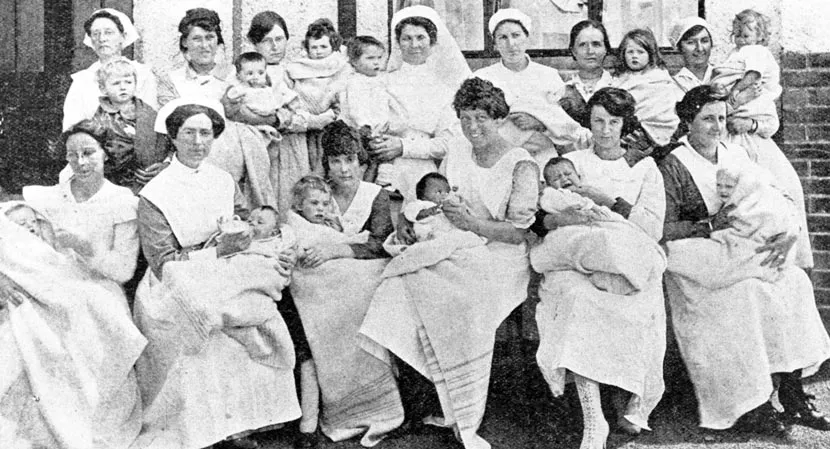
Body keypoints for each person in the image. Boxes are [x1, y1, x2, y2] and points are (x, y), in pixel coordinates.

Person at [361, 78, 539, 449]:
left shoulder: (521, 164)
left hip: (499, 256)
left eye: (481, 118)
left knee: (459, 300)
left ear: (499, 117)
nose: (472, 127)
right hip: (453, 245)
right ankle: (416, 400)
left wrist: (470, 224)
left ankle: (460, 403)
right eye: (465, 118)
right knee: (399, 287)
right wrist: (411, 221)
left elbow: (520, 234)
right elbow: (431, 196)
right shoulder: (456, 150)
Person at [660, 85, 830, 437]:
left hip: (742, 249)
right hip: (698, 260)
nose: (716, 126)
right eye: (707, 118)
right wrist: (708, 225)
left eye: (721, 118)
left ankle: (792, 391)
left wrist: (786, 233)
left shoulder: (735, 154)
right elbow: (662, 227)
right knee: (747, 294)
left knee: (794, 282)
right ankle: (751, 404)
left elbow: (775, 195)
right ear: (687, 119)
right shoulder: (673, 164)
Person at [132, 102, 300, 449]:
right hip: (175, 282)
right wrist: (217, 250)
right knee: (206, 325)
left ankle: (237, 428)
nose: (198, 142)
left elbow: (245, 226)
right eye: (188, 133)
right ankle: (202, 433)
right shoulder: (154, 193)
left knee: (254, 309)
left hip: (225, 269)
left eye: (205, 133)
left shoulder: (223, 180)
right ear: (174, 138)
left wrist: (244, 239)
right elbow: (163, 262)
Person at [534, 87, 667, 449]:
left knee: (634, 287)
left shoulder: (643, 167)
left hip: (627, 251)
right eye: (597, 121)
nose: (605, 130)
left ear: (626, 124)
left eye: (613, 122)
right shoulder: (571, 161)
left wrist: (605, 199)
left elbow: (652, 228)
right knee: (575, 299)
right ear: (588, 122)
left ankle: (628, 404)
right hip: (576, 260)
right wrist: (565, 214)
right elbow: (542, 215)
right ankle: (594, 421)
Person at [287, 120, 404, 447]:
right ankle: (325, 407)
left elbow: (380, 243)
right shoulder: (318, 194)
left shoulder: (374, 195)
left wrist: (337, 249)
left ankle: (370, 401)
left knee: (360, 292)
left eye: (350, 160)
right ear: (326, 164)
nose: (344, 168)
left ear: (362, 162)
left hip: (361, 269)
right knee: (306, 286)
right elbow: (298, 228)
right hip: (321, 278)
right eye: (336, 161)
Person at [0, 202, 147, 449]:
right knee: (27, 338)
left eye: (31, 224)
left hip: (53, 281)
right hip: (20, 293)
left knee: (87, 307)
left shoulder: (19, 208)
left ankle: (87, 409)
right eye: (22, 225)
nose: (28, 228)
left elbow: (52, 255)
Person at [157, 8, 278, 210]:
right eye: (197, 39)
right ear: (185, 42)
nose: (205, 45)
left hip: (235, 163)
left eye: (210, 37)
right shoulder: (171, 81)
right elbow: (169, 125)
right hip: (189, 161)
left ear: (218, 41)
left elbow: (263, 108)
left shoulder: (238, 74)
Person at [369, 5, 470, 202]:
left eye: (420, 37)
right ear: (398, 42)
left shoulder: (445, 89)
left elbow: (448, 142)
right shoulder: (380, 82)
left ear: (432, 41)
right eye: (407, 38)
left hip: (424, 173)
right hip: (381, 169)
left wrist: (403, 146)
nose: (414, 45)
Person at [23, 120, 139, 286]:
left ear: (105, 154)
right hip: (50, 287)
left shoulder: (123, 202)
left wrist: (86, 248)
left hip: (101, 293)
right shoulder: (48, 197)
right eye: (72, 154)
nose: (81, 162)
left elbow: (124, 272)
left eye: (88, 153)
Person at [473, 8, 590, 167]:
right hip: (498, 156)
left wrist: (540, 122)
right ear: (495, 43)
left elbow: (562, 121)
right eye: (503, 37)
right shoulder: (482, 78)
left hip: (543, 155)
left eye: (516, 35)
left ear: (527, 37)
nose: (511, 44)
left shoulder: (548, 75)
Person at [63, 8, 157, 131]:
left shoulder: (142, 74)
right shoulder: (82, 80)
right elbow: (72, 124)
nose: (102, 39)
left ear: (123, 37)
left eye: (108, 32)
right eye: (96, 34)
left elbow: (148, 121)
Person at [286, 18, 351, 176]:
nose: (319, 51)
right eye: (314, 47)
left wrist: (328, 116)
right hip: (305, 125)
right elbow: (293, 95)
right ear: (307, 49)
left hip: (330, 124)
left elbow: (341, 95)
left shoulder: (341, 66)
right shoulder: (298, 68)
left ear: (332, 46)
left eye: (323, 46)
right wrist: (307, 117)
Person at [339, 35, 401, 187]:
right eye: (370, 58)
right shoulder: (355, 82)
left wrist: (393, 122)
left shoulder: (381, 80)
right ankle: (368, 186)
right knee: (368, 157)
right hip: (361, 129)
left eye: (379, 58)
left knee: (385, 152)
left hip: (380, 128)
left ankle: (384, 181)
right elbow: (355, 109)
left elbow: (390, 103)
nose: (376, 62)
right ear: (354, 61)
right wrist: (365, 126)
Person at [612, 28, 682, 147]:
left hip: (659, 131)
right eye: (630, 52)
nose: (635, 56)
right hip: (630, 133)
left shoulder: (660, 78)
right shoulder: (619, 80)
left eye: (640, 52)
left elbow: (667, 106)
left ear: (650, 54)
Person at [559, 20, 615, 130]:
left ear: (606, 49)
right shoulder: (562, 90)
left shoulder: (619, 85)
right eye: (582, 45)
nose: (590, 51)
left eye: (596, 44)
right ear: (573, 51)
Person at [225, 52, 285, 128]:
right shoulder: (241, 89)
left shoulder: (268, 89)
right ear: (238, 76)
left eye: (261, 73)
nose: (256, 77)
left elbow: (278, 101)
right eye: (250, 73)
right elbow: (231, 100)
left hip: (269, 119)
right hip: (248, 123)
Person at [669, 16, 714, 93]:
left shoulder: (723, 75)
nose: (699, 48)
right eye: (691, 42)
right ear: (678, 48)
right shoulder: (674, 85)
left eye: (704, 41)